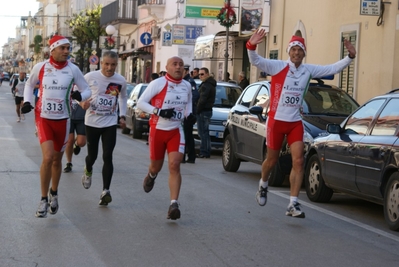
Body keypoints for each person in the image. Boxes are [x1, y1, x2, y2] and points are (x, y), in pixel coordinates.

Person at [247, 29, 356, 218]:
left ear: (304, 53)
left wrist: (350, 57)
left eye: (300, 50)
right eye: (294, 50)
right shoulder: (278, 66)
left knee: (298, 160)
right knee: (272, 160)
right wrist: (251, 45)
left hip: (295, 122)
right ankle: (263, 185)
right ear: (289, 52)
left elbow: (332, 69)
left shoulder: (309, 70)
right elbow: (255, 60)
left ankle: (293, 204)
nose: (297, 53)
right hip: (276, 121)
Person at [22, 35, 92, 218]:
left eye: (69, 48)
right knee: (48, 157)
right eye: (63, 48)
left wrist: (79, 97)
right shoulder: (41, 67)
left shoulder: (73, 69)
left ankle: (54, 193)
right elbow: (29, 86)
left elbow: (87, 89)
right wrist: (28, 102)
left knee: (56, 160)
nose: (67, 51)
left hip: (63, 119)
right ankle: (43, 199)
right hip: (43, 118)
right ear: (53, 49)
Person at [137, 56, 193, 220]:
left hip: (176, 130)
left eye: (181, 65)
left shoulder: (187, 85)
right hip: (158, 129)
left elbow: (188, 104)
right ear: (167, 68)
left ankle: (174, 204)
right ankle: (151, 176)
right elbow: (141, 102)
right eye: (174, 64)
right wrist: (158, 111)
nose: (178, 67)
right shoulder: (158, 83)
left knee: (175, 164)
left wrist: (189, 115)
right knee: (156, 166)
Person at [80, 50, 127, 206]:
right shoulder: (89, 77)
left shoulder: (120, 80)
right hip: (92, 122)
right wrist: (82, 103)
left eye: (113, 65)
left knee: (108, 155)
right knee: (92, 156)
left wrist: (122, 116)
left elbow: (122, 98)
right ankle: (88, 169)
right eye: (106, 64)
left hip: (109, 122)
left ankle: (105, 190)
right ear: (101, 63)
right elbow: (76, 94)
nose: (109, 68)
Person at [63, 85, 87, 173]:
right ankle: (69, 163)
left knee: (82, 142)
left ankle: (76, 144)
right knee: (69, 141)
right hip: (68, 117)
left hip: (81, 117)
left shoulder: (82, 85)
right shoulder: (65, 85)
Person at [196, 67, 216, 158]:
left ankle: (204, 151)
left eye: (202, 74)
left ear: (207, 74)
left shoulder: (206, 85)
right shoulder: (208, 84)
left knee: (203, 132)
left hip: (204, 111)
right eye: (199, 74)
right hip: (206, 110)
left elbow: (202, 99)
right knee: (204, 132)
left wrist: (197, 110)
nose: (200, 76)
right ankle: (205, 151)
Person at [182, 64, 200, 163]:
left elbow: (195, 95)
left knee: (186, 135)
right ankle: (189, 156)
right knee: (187, 135)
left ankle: (187, 156)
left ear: (186, 71)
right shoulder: (183, 81)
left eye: (182, 70)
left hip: (188, 113)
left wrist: (186, 103)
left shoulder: (189, 81)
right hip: (185, 113)